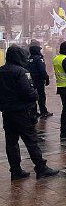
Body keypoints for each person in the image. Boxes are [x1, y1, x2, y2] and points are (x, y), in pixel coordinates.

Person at [0, 45, 59, 180]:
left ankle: (15, 170)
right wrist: (36, 94)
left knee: (11, 142)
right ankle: (40, 167)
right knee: (31, 140)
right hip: (22, 112)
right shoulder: (21, 72)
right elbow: (29, 93)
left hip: (7, 112)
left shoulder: (1, 71)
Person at [27, 44, 52, 118]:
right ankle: (43, 111)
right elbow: (42, 70)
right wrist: (46, 78)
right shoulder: (39, 58)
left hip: (31, 80)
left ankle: (34, 112)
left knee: (33, 95)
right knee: (41, 96)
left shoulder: (28, 59)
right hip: (39, 80)